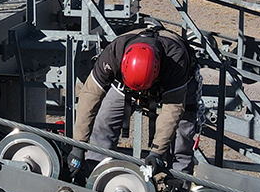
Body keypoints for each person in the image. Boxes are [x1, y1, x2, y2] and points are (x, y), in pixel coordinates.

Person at [70, 26, 200, 176]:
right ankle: (95, 172)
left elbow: (172, 110)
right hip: (124, 87)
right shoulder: (114, 53)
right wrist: (78, 146)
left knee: (181, 137)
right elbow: (89, 95)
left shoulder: (176, 59)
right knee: (104, 122)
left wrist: (156, 152)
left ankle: (179, 182)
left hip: (175, 85)